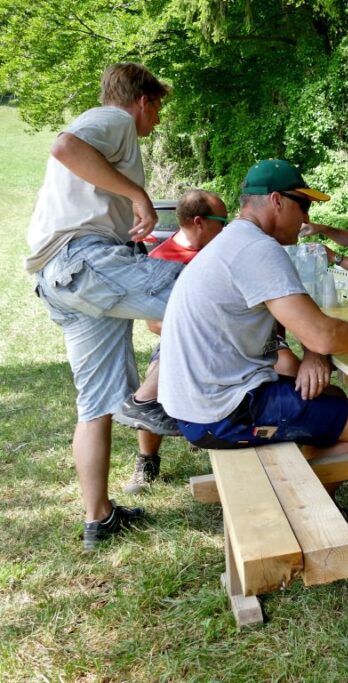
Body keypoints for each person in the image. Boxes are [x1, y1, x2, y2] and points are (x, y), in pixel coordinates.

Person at [158, 159, 348, 554]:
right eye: (302, 205)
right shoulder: (257, 249)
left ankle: (298, 494)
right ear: (276, 201)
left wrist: (315, 353)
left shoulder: (237, 241)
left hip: (204, 399)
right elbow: (323, 331)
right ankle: (307, 516)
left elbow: (305, 322)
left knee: (327, 400)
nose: (307, 218)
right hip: (221, 410)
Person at [26, 62, 180, 551]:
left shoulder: (111, 132)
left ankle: (100, 519)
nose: (155, 123)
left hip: (63, 281)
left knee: (95, 405)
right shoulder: (113, 119)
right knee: (203, 289)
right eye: (157, 111)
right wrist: (138, 193)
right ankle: (147, 402)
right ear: (143, 101)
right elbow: (64, 146)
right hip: (84, 260)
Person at [115, 190, 303, 494]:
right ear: (200, 222)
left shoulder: (230, 249)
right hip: (186, 340)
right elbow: (155, 323)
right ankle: (147, 458)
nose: (228, 226)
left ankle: (287, 428)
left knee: (290, 362)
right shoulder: (163, 258)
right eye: (222, 220)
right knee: (161, 372)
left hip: (248, 338)